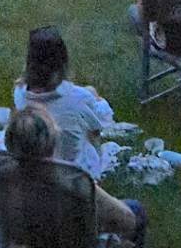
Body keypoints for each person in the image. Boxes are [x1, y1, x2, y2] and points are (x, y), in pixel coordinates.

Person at [0, 104, 143, 248]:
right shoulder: (72, 180)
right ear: (52, 141)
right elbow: (127, 220)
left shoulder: (0, 175)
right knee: (135, 208)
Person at [12, 25, 124, 171]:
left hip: (35, 168)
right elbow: (102, 123)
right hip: (73, 174)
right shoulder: (79, 98)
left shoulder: (19, 93)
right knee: (91, 109)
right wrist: (99, 100)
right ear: (63, 62)